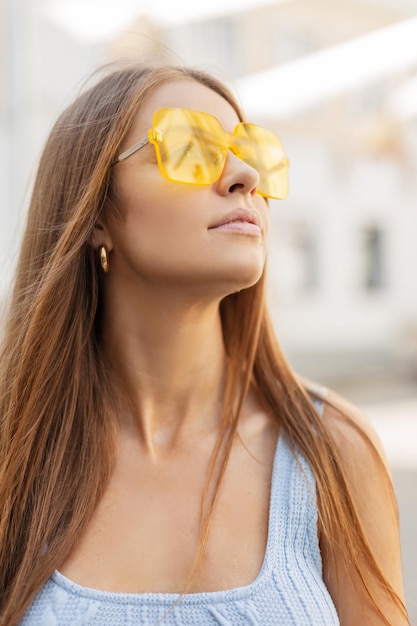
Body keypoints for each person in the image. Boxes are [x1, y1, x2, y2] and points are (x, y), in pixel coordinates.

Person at [0, 63, 409, 626]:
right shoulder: (14, 454)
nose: (244, 175)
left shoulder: (333, 450)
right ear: (95, 211)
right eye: (191, 146)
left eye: (253, 153)